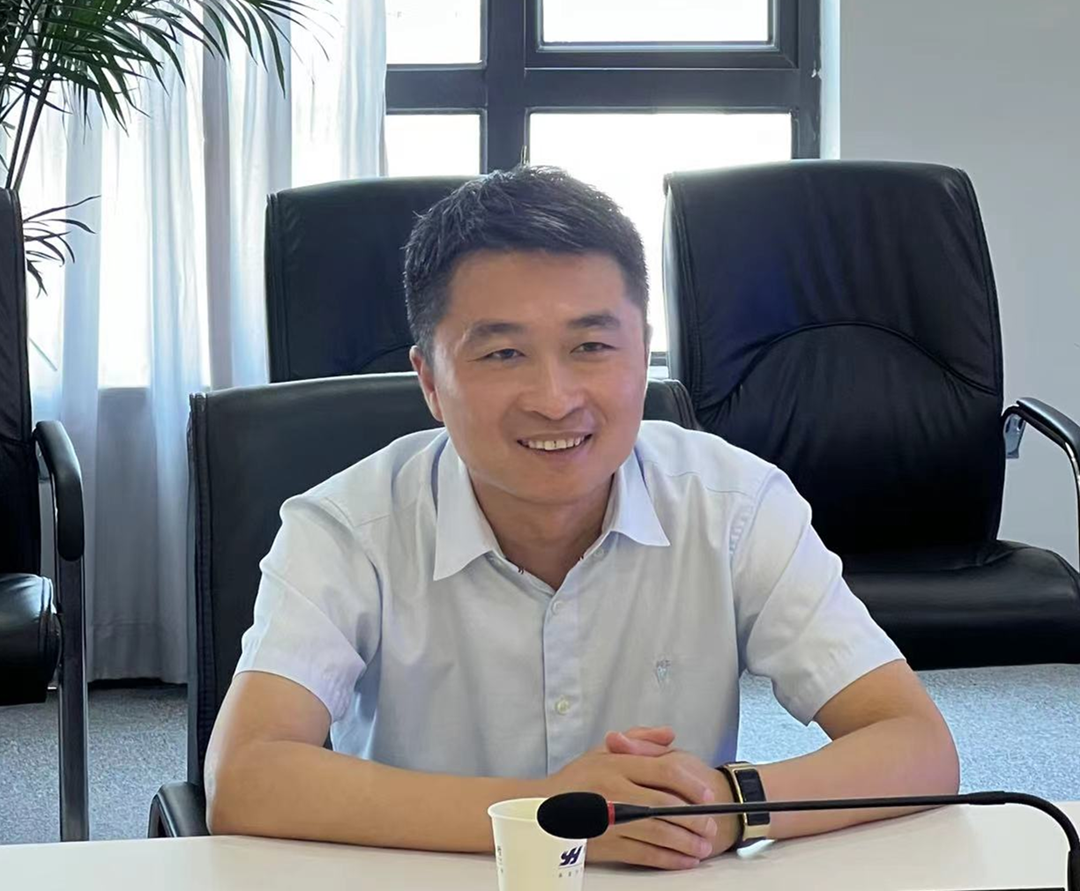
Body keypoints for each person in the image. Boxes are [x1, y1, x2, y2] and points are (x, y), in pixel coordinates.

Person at [204, 166, 959, 869]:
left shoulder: (733, 504)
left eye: (591, 345)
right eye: (503, 355)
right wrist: (552, 816)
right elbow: (245, 777)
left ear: (644, 353)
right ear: (429, 381)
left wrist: (726, 806)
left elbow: (916, 744)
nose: (556, 398)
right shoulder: (347, 527)